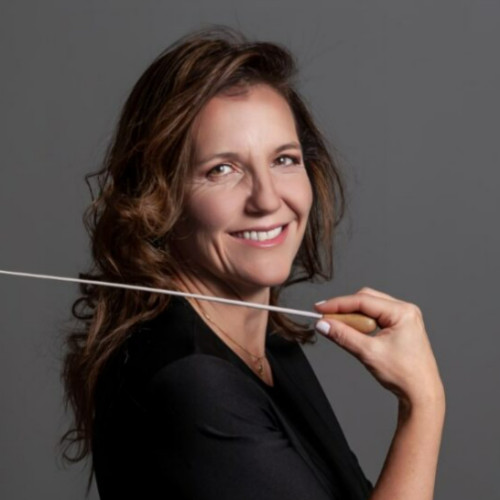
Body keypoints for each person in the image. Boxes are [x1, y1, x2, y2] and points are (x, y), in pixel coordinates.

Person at [61, 26, 445, 500]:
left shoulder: (268, 346)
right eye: (222, 169)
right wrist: (423, 404)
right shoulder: (196, 385)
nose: (267, 199)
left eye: (284, 160)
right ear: (159, 198)